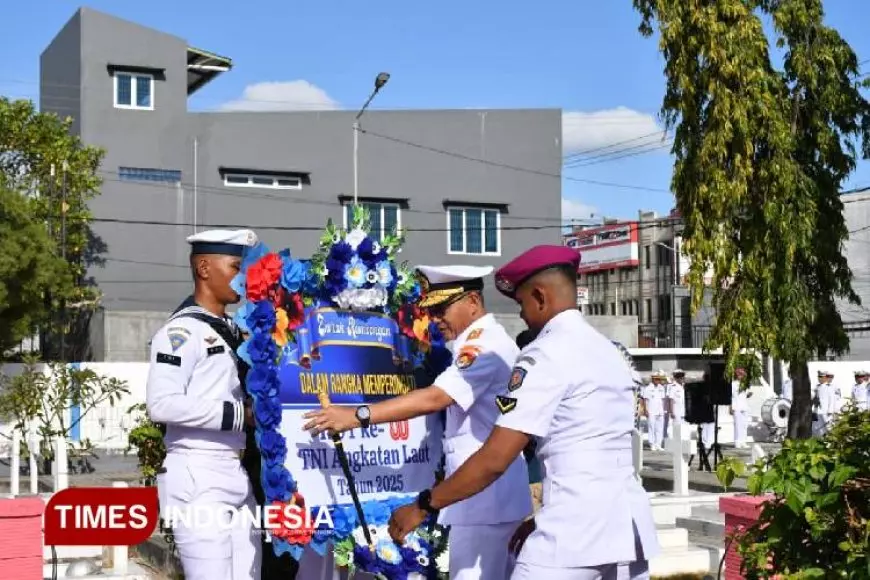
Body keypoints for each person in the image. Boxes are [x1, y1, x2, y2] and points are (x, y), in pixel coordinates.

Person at [387, 245, 660, 580]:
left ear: (540, 296)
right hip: (627, 528)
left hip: (572, 532)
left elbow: (494, 459)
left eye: (521, 303)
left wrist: (423, 506)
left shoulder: (544, 354)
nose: (521, 315)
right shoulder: (607, 351)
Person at [302, 264, 532, 580]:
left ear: (473, 302)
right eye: (431, 310)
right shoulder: (479, 342)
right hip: (484, 498)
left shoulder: (483, 346)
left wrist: (358, 415)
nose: (436, 319)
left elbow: (436, 398)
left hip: (486, 503)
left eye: (441, 309)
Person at [146, 229, 262, 580]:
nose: (241, 278)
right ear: (204, 268)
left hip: (235, 469)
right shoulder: (182, 332)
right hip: (197, 473)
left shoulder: (230, 329)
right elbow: (161, 404)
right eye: (234, 267)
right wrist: (241, 416)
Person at [641, 371, 667, 451]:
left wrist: (664, 409)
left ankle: (658, 444)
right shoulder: (648, 388)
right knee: (651, 427)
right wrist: (645, 410)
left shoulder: (661, 388)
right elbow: (644, 400)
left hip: (660, 410)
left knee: (660, 428)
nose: (658, 381)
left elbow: (663, 400)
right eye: (656, 379)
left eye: (659, 379)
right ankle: (652, 444)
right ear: (652, 379)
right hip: (651, 410)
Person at [729, 367, 751, 449]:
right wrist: (730, 407)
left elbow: (747, 394)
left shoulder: (745, 384)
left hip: (744, 406)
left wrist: (749, 394)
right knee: (738, 425)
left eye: (743, 375)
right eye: (740, 375)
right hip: (736, 406)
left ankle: (743, 441)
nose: (742, 376)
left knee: (744, 424)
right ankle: (737, 442)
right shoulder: (733, 384)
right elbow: (730, 396)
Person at [666, 369, 686, 436]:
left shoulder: (684, 386)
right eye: (680, 378)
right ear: (677, 378)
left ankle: (681, 441)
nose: (682, 379)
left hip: (683, 410)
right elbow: (671, 400)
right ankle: (674, 442)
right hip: (676, 410)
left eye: (683, 377)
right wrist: (671, 412)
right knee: (675, 427)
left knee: (683, 427)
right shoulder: (673, 387)